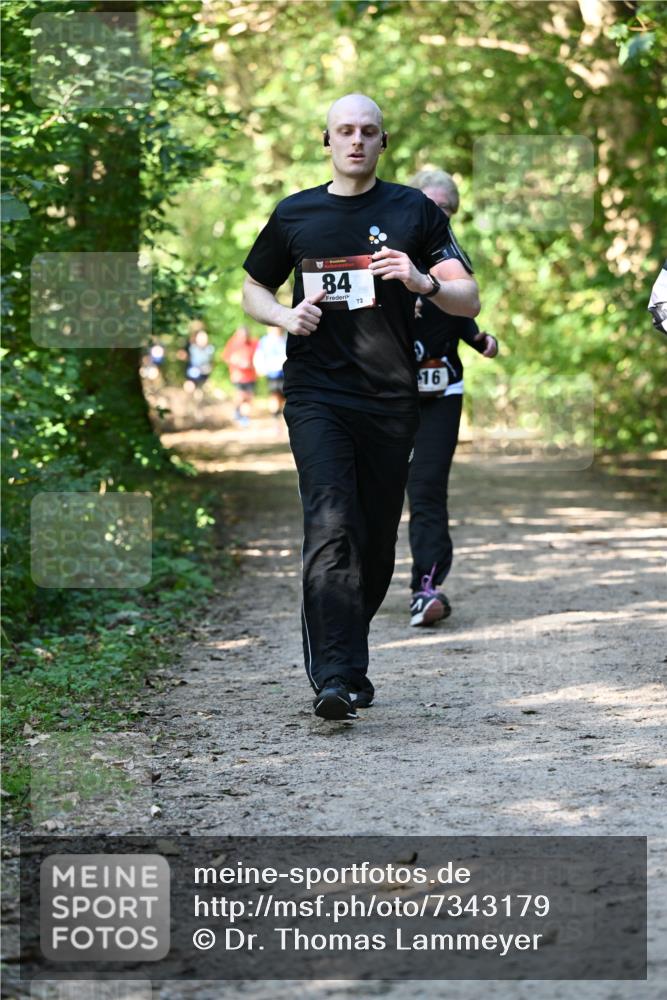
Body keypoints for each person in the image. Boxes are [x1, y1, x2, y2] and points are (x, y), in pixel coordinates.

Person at [242, 94, 480, 720]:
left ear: (382, 141)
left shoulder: (412, 211)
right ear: (326, 141)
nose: (355, 140)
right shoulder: (296, 214)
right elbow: (253, 286)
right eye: (343, 131)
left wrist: (422, 280)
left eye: (367, 131)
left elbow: (468, 297)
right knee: (330, 523)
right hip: (317, 392)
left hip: (390, 398)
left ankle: (347, 647)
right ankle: (338, 676)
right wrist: (284, 316)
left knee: (374, 543)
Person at [407, 169, 498, 626]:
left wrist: (479, 339)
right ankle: (357, 580)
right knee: (374, 489)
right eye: (428, 204)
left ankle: (427, 586)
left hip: (443, 390)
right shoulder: (387, 251)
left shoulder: (453, 261)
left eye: (444, 208)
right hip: (387, 392)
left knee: (426, 487)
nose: (436, 214)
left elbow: (463, 312)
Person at [221, 325, 258, 426]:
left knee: (248, 398)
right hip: (238, 376)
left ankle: (245, 418)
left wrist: (251, 364)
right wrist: (236, 361)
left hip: (251, 376)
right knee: (240, 396)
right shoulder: (233, 343)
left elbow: (259, 357)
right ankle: (237, 411)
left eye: (245, 335)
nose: (243, 338)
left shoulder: (254, 343)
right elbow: (226, 357)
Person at [254, 325, 288, 419]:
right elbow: (259, 355)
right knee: (274, 395)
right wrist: (259, 368)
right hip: (272, 373)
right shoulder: (265, 341)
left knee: (284, 396)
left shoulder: (285, 338)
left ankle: (280, 414)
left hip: (285, 372)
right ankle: (275, 417)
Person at [179, 320, 215, 393]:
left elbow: (211, 361)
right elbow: (183, 354)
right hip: (194, 369)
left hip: (204, 370)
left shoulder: (209, 349)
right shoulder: (192, 347)